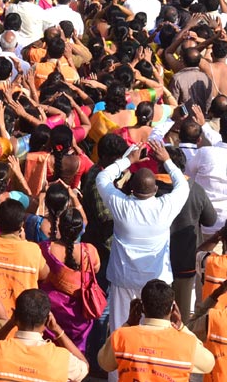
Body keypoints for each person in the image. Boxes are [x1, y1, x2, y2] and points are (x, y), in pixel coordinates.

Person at [96, 139, 190, 328]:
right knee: (156, 330)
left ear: (131, 189)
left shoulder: (120, 204)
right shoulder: (165, 207)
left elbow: (102, 178)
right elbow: (183, 186)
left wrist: (128, 160)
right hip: (158, 283)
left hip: (124, 281)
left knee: (120, 330)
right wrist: (166, 161)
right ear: (156, 189)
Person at [99, 278, 214, 382]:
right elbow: (209, 364)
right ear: (173, 309)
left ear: (142, 308)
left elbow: (104, 363)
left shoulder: (122, 337)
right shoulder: (187, 343)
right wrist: (182, 328)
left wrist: (128, 324)